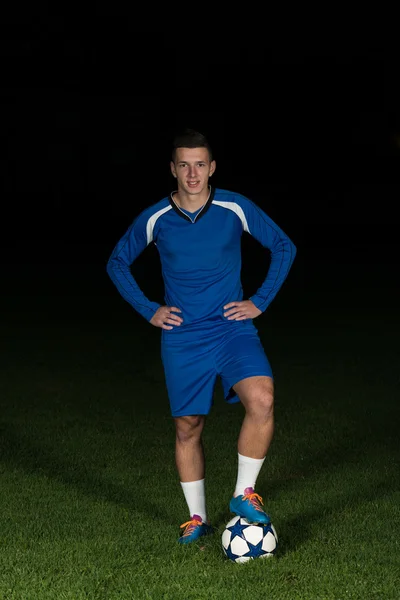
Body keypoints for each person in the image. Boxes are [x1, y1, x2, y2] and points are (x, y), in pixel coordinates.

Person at [106, 128, 297, 544]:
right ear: (173, 169)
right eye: (184, 165)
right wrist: (150, 310)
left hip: (232, 328)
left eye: (200, 164)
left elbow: (283, 245)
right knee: (188, 427)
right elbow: (117, 262)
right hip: (183, 337)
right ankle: (197, 518)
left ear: (212, 168)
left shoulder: (234, 207)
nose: (192, 173)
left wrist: (260, 300)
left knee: (262, 398)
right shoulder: (156, 218)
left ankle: (244, 494)